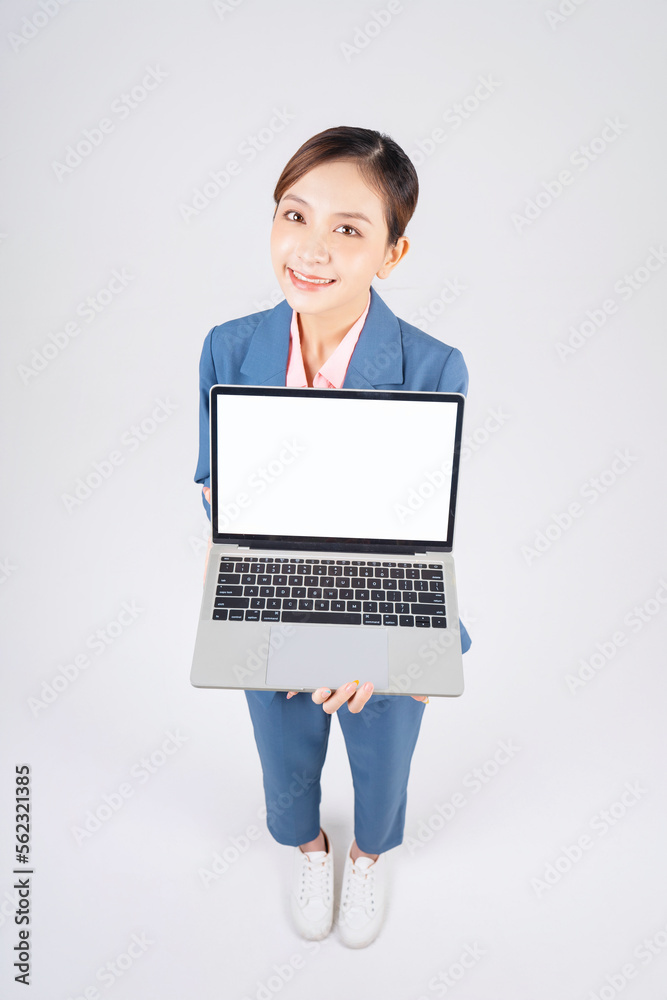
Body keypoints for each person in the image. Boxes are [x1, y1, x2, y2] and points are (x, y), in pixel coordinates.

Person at [194, 126, 471, 948]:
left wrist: (370, 632)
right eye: (294, 214)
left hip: (386, 585)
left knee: (384, 741)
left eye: (348, 229)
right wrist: (248, 580)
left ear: (392, 252)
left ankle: (370, 854)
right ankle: (309, 847)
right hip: (269, 577)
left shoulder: (434, 366)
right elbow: (216, 487)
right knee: (279, 739)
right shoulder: (227, 346)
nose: (309, 250)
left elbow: (423, 530)